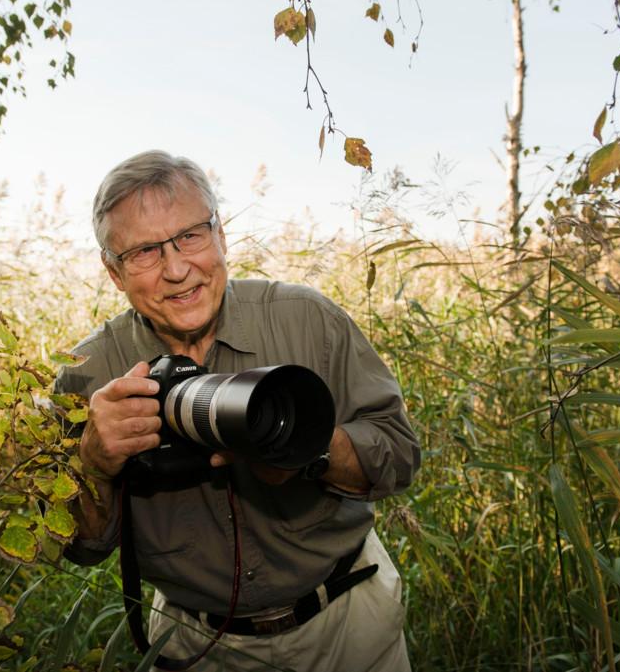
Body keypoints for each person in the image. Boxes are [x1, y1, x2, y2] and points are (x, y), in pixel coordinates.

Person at [55, 150, 420, 671]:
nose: (177, 269)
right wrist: (93, 463)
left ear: (220, 235)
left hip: (347, 626)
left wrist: (305, 449)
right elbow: (83, 547)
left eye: (190, 236)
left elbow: (400, 457)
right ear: (113, 273)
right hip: (195, 646)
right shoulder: (87, 375)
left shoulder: (306, 320)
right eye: (144, 252)